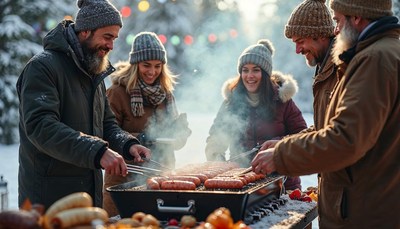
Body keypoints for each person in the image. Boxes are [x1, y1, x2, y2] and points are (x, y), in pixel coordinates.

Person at [251, 0, 400, 227]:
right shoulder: (377, 53)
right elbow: (331, 128)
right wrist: (285, 143)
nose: (335, 29)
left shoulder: (374, 59)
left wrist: (281, 155)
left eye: (338, 20)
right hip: (362, 206)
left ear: (357, 17)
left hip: (365, 214)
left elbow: (346, 139)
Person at [16, 0, 151, 210]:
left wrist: (127, 144)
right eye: (107, 37)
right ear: (85, 31)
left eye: (114, 38)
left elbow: (107, 124)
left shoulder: (93, 72)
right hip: (47, 200)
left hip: (87, 197)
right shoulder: (42, 67)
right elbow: (41, 127)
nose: (111, 46)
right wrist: (97, 151)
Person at [103, 31, 191, 216]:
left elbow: (174, 140)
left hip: (162, 178)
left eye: (158, 66)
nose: (152, 72)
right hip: (124, 182)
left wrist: (180, 134)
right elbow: (105, 133)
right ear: (135, 64)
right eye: (146, 65)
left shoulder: (165, 95)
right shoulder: (117, 93)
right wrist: (141, 139)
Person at [205, 39, 307, 191]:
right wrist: (218, 160)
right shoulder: (231, 102)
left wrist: (278, 144)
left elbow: (302, 137)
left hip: (282, 184)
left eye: (255, 70)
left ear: (265, 73)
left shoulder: (282, 100)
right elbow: (215, 139)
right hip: (241, 182)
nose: (249, 75)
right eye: (245, 70)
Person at [260, 0, 339, 151]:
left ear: (320, 35)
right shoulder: (325, 68)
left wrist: (283, 153)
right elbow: (322, 129)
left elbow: (339, 137)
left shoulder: (342, 69)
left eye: (300, 42)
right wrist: (283, 144)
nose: (297, 50)